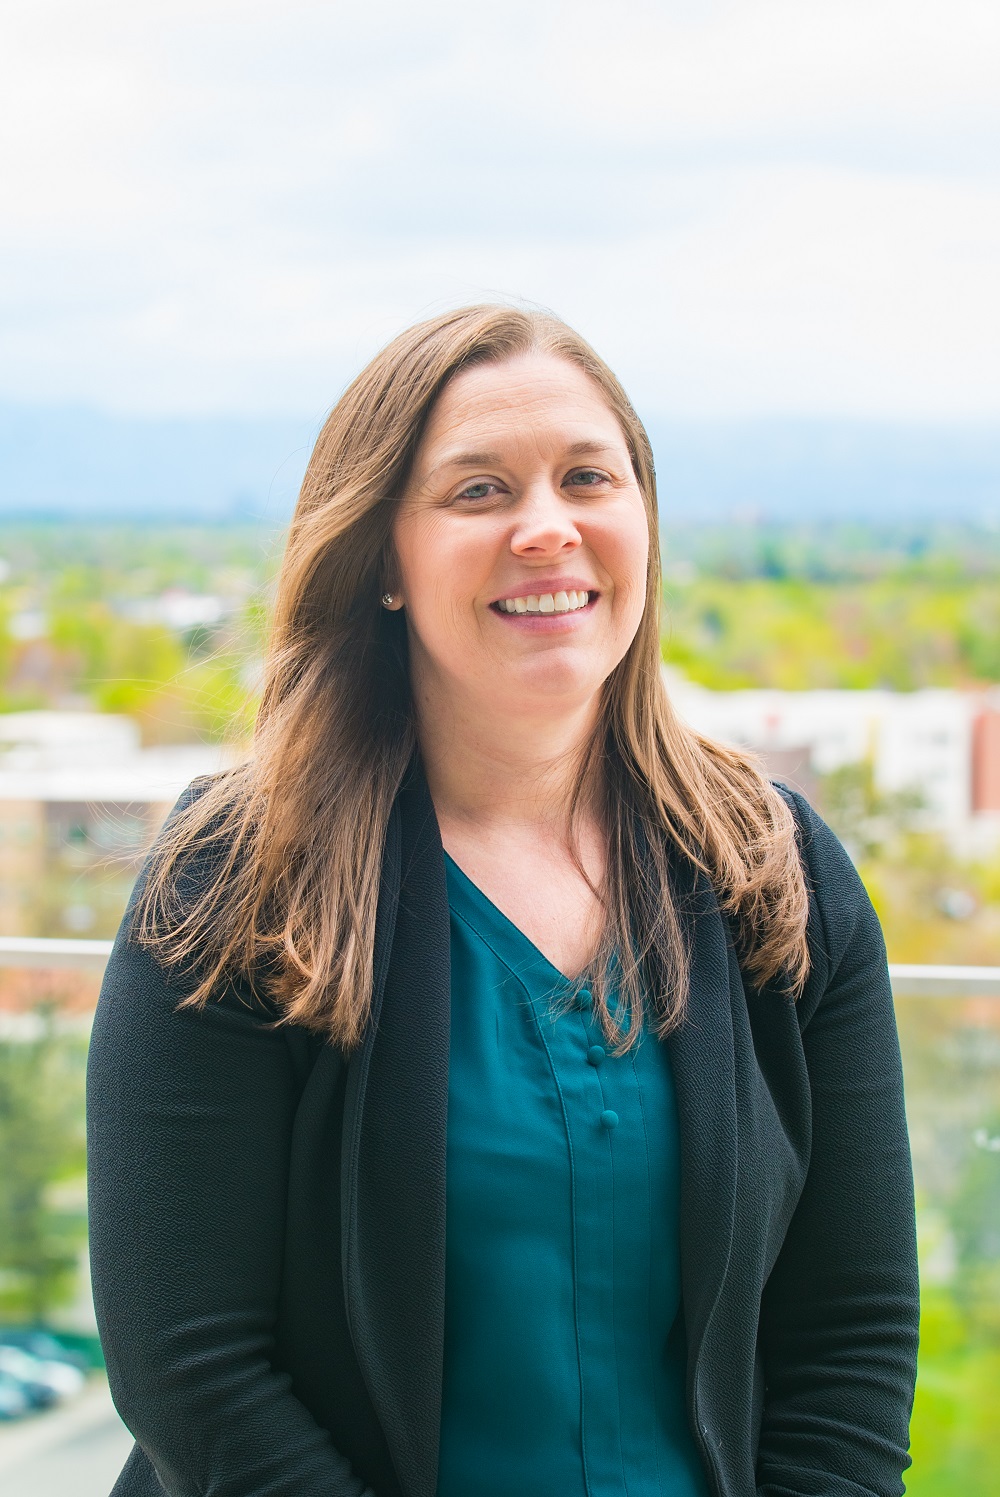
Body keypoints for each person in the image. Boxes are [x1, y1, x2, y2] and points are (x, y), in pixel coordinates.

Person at [87, 305, 919, 1497]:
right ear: (382, 560)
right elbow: (191, 1366)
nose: (548, 530)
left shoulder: (776, 879)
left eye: (589, 477)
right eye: (478, 492)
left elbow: (852, 1344)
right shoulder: (232, 884)